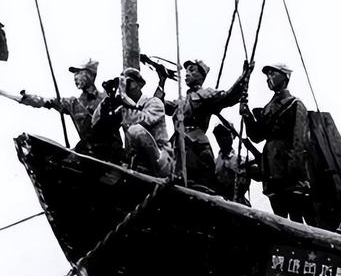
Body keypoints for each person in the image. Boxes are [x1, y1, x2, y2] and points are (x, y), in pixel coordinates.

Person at [0, 59, 121, 161]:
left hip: (112, 153)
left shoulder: (107, 97)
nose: (75, 77)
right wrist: (0, 91)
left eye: (79, 72)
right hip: (89, 153)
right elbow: (42, 101)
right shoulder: (72, 103)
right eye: (74, 73)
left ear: (91, 75)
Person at [154, 59, 253, 190]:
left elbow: (228, 97)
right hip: (177, 145)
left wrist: (244, 76)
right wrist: (162, 80)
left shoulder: (205, 94)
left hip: (196, 147)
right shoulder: (180, 101)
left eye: (192, 70)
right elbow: (157, 106)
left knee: (200, 185)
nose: (187, 73)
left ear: (201, 76)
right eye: (186, 70)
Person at [239, 63, 313, 224]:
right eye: (267, 75)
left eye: (273, 74)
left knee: (296, 218)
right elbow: (257, 136)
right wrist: (246, 114)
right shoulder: (268, 108)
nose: (268, 78)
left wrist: (296, 173)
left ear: (285, 77)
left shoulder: (295, 104)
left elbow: (300, 141)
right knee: (278, 218)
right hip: (271, 168)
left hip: (288, 169)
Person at [93, 68, 173, 178]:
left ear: (139, 84)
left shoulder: (154, 102)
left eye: (129, 82)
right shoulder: (124, 107)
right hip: (137, 159)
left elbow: (143, 119)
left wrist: (123, 100)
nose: (125, 86)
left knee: (135, 130)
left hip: (162, 160)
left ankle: (153, 174)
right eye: (122, 82)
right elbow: (95, 123)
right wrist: (108, 102)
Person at [213, 123, 253, 206]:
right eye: (219, 136)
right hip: (220, 203)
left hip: (239, 204)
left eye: (226, 135)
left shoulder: (244, 160)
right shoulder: (213, 163)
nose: (223, 139)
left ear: (233, 136)